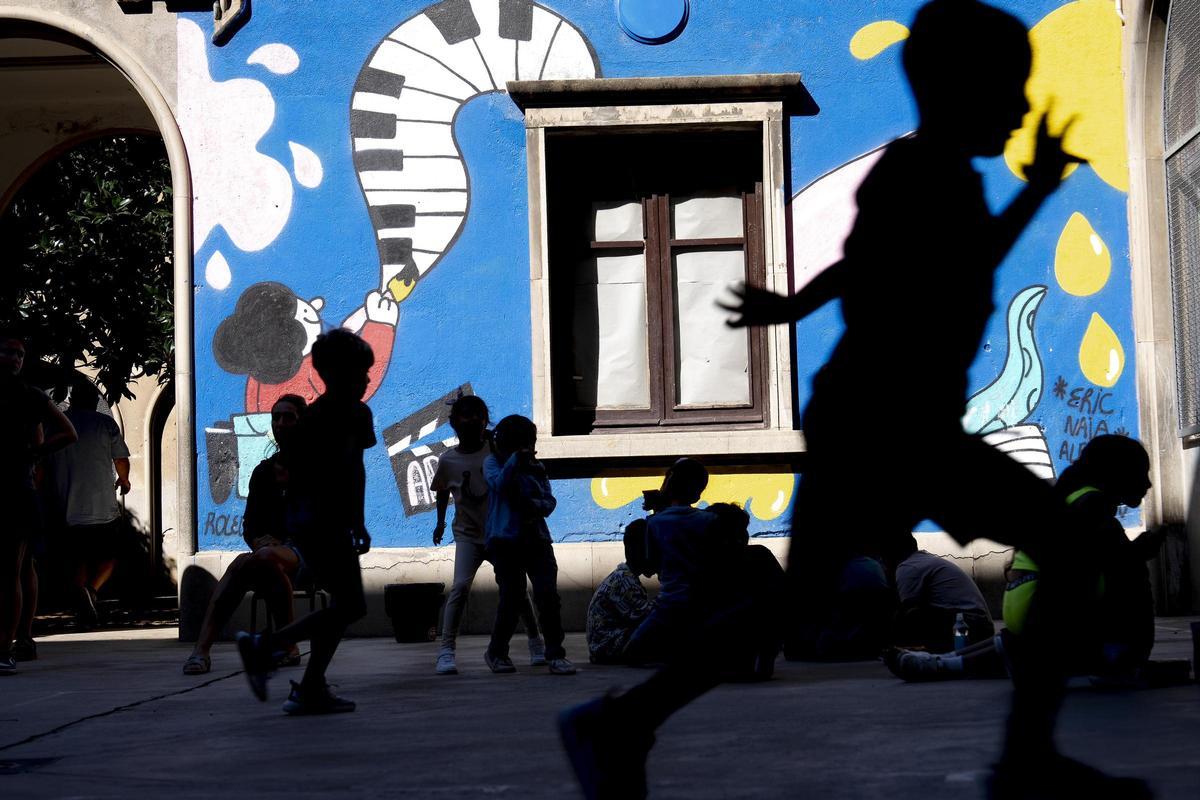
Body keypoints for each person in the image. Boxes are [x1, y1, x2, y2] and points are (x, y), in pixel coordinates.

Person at [559, 3, 1139, 797]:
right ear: (951, 88)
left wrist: (1034, 193)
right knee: (1067, 547)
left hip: (890, 420)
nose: (1020, 107)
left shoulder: (946, 176)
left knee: (794, 602)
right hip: (885, 422)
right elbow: (869, 268)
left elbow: (960, 264)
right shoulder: (917, 172)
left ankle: (623, 721)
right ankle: (1027, 758)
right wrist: (794, 310)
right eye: (1010, 88)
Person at [888, 436, 1160, 685]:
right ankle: (950, 665)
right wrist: (1140, 551)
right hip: (1045, 606)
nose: (1147, 484)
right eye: (1140, 472)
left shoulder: (1070, 496)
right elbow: (1087, 567)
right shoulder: (1091, 505)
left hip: (1024, 601)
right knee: (1041, 647)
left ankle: (944, 662)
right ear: (1116, 471)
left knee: (1021, 646)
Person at [235, 329, 374, 714]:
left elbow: (356, 470)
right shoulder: (314, 421)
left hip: (332, 524)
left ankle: (311, 686)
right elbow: (301, 479)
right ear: (336, 374)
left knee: (345, 606)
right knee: (351, 607)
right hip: (315, 525)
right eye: (361, 372)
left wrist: (357, 521)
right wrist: (326, 523)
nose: (366, 380)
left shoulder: (359, 414)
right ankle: (267, 646)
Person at [183, 394, 307, 675]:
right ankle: (285, 647)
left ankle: (202, 650)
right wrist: (260, 541)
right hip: (271, 555)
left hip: (309, 554)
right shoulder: (263, 472)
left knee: (250, 563)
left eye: (288, 417)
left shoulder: (316, 467)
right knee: (261, 563)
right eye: (276, 417)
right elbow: (251, 525)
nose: (281, 423)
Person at [430, 394, 544, 675]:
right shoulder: (448, 460)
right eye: (465, 421)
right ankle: (446, 650)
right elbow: (442, 490)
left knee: (517, 591)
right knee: (459, 588)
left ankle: (535, 641)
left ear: (485, 423)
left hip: (500, 535)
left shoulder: (496, 452)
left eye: (477, 421)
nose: (471, 427)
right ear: (454, 424)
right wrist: (441, 523)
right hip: (468, 535)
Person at [0, 329, 77, 675]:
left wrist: (34, 454)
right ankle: (18, 639)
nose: (14, 359)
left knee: (14, 568)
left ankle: (10, 643)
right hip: (21, 489)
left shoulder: (29, 396)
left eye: (19, 354)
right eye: (8, 352)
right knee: (18, 568)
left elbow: (65, 433)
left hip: (17, 491)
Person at [482, 414, 575, 675]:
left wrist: (534, 505)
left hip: (537, 540)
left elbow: (548, 501)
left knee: (548, 596)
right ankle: (497, 652)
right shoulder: (493, 463)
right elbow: (499, 485)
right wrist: (515, 462)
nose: (529, 449)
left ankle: (555, 654)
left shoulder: (538, 468)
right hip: (505, 541)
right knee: (511, 597)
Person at [41, 379, 131, 630]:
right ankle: (91, 591)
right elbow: (121, 458)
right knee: (110, 556)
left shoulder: (56, 425)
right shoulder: (105, 423)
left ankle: (82, 595)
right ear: (95, 402)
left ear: (71, 400)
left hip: (66, 505)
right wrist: (124, 480)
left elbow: (42, 460)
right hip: (102, 505)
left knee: (77, 558)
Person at [882, 533, 994, 654]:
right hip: (981, 627)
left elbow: (905, 612)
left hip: (969, 627)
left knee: (910, 615)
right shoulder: (923, 560)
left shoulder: (908, 567)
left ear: (891, 553)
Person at [586, 518, 655, 665]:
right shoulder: (624, 582)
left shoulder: (625, 576)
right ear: (641, 551)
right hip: (607, 647)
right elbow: (649, 618)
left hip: (607, 644)